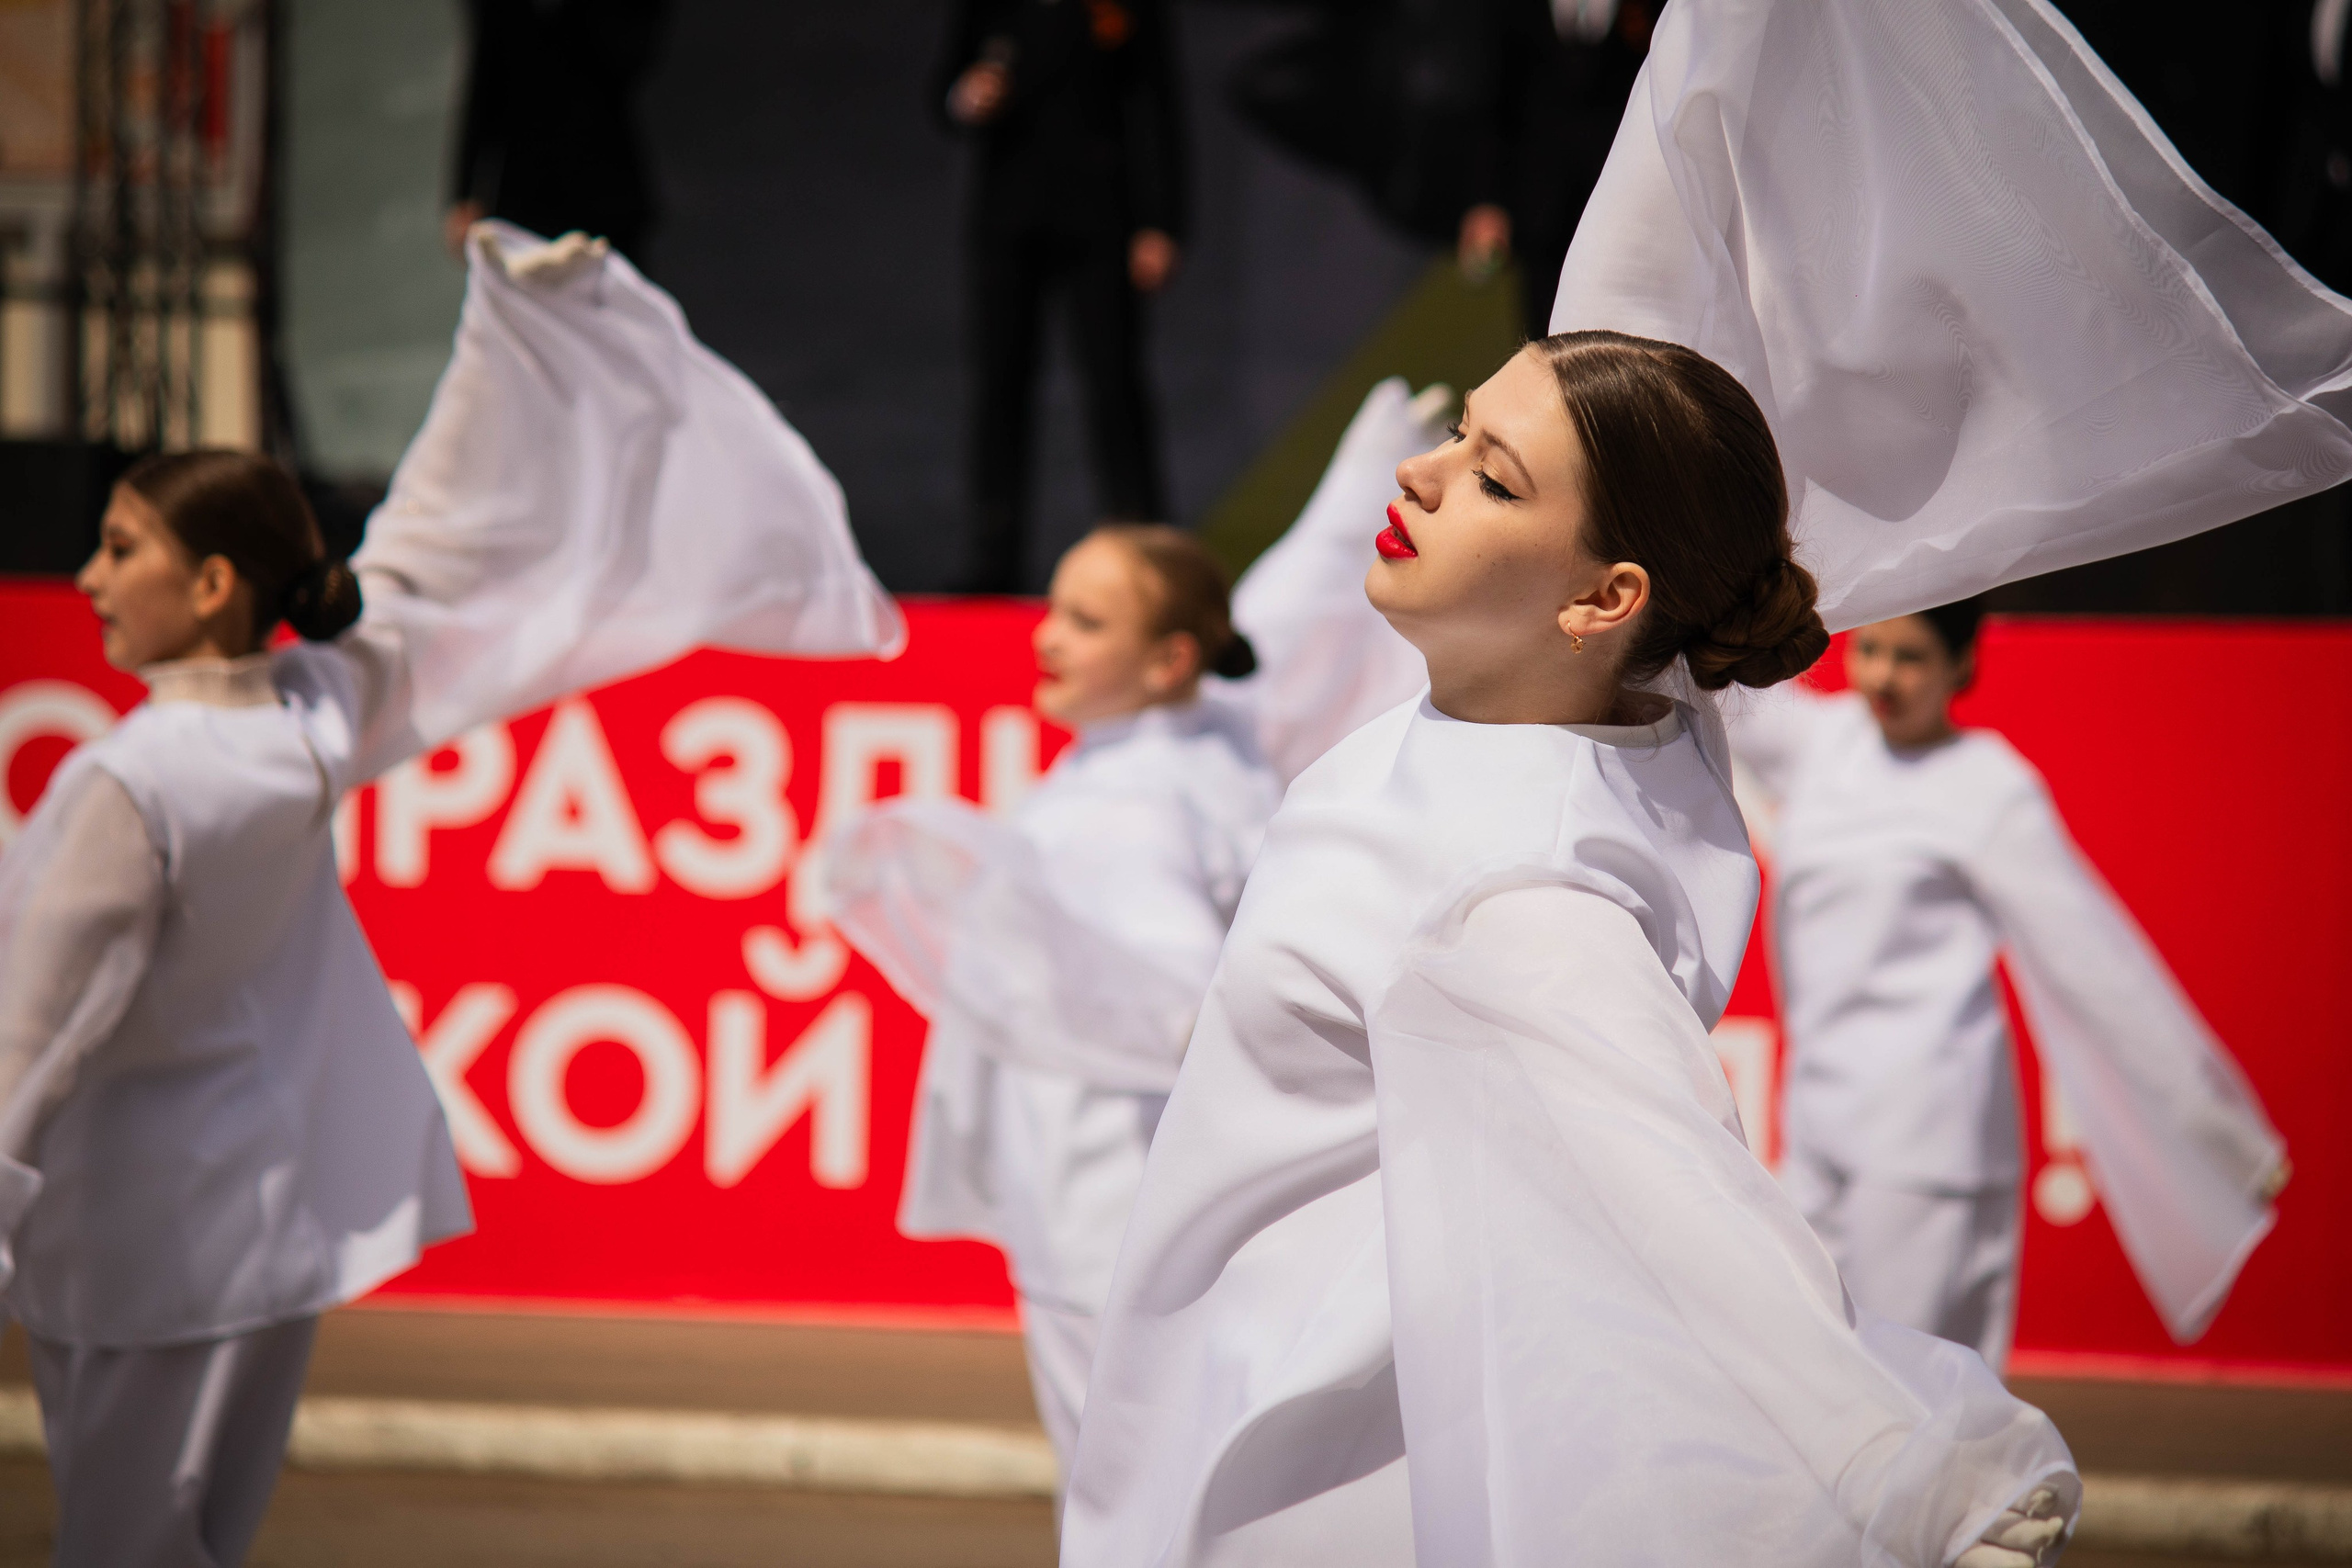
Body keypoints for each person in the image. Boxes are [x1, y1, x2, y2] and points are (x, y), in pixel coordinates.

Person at [1060, 333, 2076, 1568]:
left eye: (1493, 476)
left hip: (1318, 1484)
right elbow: (1649, 439)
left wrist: (1933, 1482)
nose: (1424, 475)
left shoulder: (1518, 892)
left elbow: (1693, 1210)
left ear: (1605, 599)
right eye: (1457, 435)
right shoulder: (1603, 715)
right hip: (1250, 1420)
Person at [0, 224, 900, 1568]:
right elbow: (431, 550)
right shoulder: (312, 711)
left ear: (211, 584)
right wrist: (512, 325)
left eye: (122, 547)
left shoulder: (131, 781)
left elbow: (38, 1032)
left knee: (121, 1548)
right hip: (265, 1219)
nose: (89, 577)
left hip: (132, 1233)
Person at [827, 525, 1280, 1472]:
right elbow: (1298, 613)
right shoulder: (1219, 742)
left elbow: (1190, 997)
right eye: (1054, 607)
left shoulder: (1123, 808)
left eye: (1085, 620)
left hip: (1096, 1201)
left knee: (1119, 1480)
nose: (1047, 637)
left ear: (1169, 660)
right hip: (1148, 1197)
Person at [1731, 604, 2287, 1370]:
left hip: (1928, 1148)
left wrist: (2217, 1127)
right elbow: (1712, 677)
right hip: (1817, 1126)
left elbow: (2098, 967)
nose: (1883, 677)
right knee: (1812, 1385)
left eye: (1912, 658)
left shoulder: (1989, 786)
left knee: (1915, 1396)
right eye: (1872, 650)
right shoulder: (1825, 740)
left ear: (1962, 667)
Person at [931, 0, 1188, 592]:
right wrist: (968, 97)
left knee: (1113, 382)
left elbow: (1157, 104)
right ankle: (993, 558)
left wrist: (1162, 221)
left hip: (1103, 217)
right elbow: (946, 91)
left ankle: (1142, 555)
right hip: (1008, 216)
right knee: (1000, 385)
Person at [445, 0, 671, 263]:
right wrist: (463, 193)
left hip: (607, 181)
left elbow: (632, 52)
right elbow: (486, 79)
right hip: (526, 192)